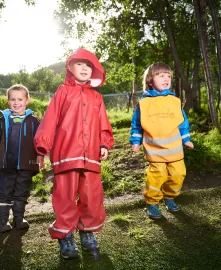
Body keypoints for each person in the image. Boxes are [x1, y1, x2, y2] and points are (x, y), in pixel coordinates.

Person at [34, 48, 114, 259]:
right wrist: (43, 146)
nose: (85, 68)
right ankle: (66, 235)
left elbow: (103, 123)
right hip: (66, 152)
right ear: (70, 67)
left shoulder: (97, 97)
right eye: (80, 64)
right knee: (65, 196)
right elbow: (50, 119)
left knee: (91, 195)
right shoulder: (63, 92)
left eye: (89, 66)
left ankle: (87, 232)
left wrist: (104, 143)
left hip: (91, 155)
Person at [129, 62, 194, 220]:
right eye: (161, 75)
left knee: (179, 174)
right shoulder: (143, 104)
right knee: (157, 176)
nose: (166, 79)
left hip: (175, 150)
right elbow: (137, 125)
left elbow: (182, 122)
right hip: (155, 150)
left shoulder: (175, 101)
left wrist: (186, 139)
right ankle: (152, 202)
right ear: (150, 80)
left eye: (168, 76)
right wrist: (135, 141)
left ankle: (169, 197)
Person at [0, 84, 43, 233]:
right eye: (13, 99)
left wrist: (40, 155)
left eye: (20, 99)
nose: (16, 102)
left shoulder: (34, 122)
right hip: (7, 165)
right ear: (8, 101)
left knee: (22, 192)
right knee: (4, 193)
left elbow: (40, 141)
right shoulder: (1, 122)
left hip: (26, 165)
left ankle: (19, 218)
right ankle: (3, 221)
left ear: (27, 100)